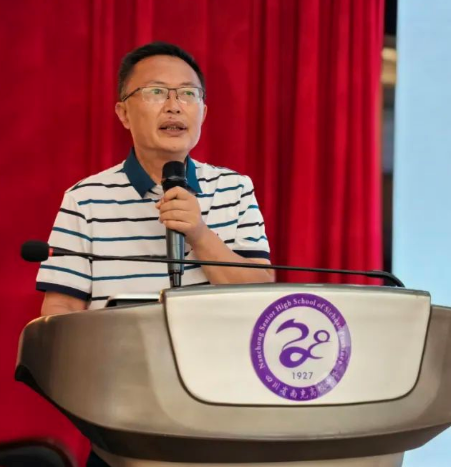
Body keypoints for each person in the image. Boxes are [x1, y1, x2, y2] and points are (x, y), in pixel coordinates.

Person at [34, 41, 274, 465]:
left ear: (203, 112)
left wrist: (199, 233)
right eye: (156, 92)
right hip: (123, 422)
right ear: (124, 113)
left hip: (222, 418)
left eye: (188, 94)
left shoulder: (235, 189)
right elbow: (61, 309)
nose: (174, 106)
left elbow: (261, 293)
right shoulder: (85, 198)